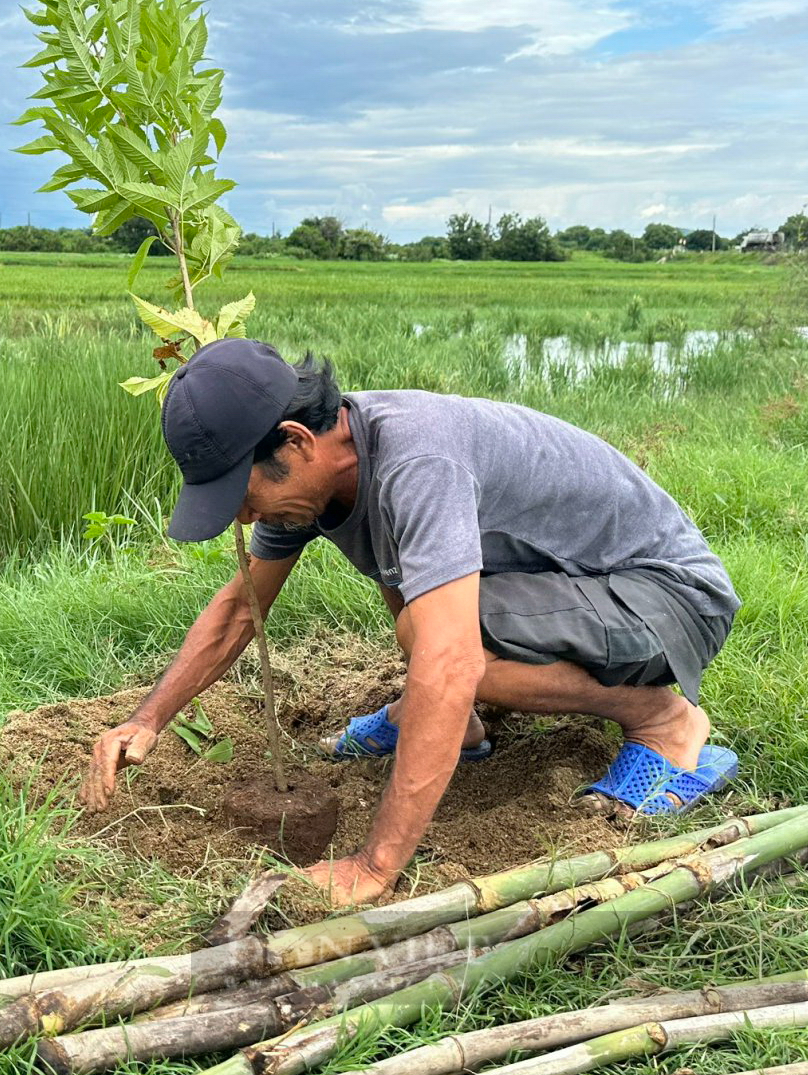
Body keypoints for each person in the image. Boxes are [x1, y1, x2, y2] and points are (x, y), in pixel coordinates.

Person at [81, 339, 740, 907]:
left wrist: (374, 866)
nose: (244, 519)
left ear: (297, 441)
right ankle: (468, 727)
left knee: (440, 645)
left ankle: (663, 720)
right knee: (429, 621)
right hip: (569, 589)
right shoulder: (321, 472)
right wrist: (148, 719)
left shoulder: (416, 460)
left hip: (666, 599)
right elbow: (239, 608)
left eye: (246, 498)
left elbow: (450, 662)